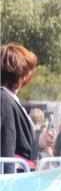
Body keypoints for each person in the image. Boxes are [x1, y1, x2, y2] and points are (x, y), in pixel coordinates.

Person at [1, 43, 55, 171]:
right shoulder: (3, 100)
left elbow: (19, 146)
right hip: (11, 182)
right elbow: (7, 148)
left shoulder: (8, 99)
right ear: (22, 74)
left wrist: (39, 143)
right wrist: (8, 186)